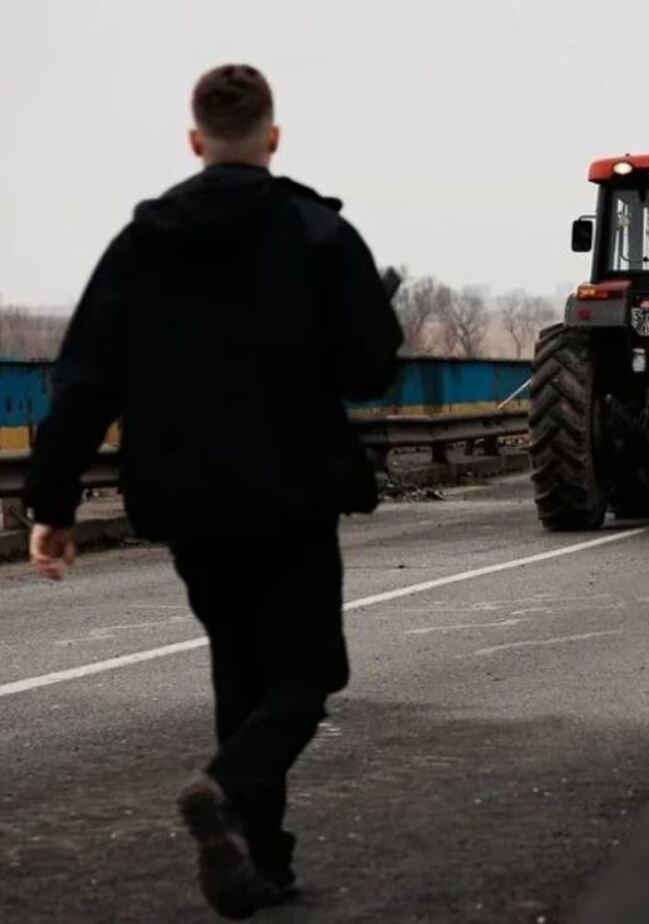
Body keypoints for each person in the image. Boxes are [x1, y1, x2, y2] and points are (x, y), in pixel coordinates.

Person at [23, 64, 402, 919]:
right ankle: (230, 790)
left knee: (241, 668)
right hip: (293, 491)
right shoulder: (316, 233)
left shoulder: (142, 244)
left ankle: (260, 861)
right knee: (307, 672)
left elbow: (84, 380)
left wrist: (51, 506)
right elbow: (371, 369)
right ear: (272, 136)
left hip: (185, 497)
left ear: (197, 142)